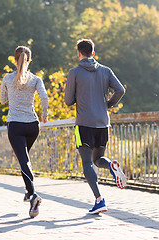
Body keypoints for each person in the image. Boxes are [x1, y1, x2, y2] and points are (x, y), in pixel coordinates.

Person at [64, 39, 127, 214]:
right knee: (98, 160)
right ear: (93, 52)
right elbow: (120, 90)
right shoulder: (106, 71)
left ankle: (99, 200)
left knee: (87, 163)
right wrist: (107, 104)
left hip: (84, 124)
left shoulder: (74, 72)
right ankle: (112, 168)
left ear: (79, 53)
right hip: (103, 123)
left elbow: (68, 101)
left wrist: (80, 96)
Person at [0, 46, 48, 218]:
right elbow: (44, 96)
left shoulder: (7, 78)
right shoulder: (36, 79)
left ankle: (34, 196)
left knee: (24, 161)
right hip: (32, 125)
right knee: (24, 159)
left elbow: (2, 99)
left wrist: (10, 93)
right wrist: (44, 113)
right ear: (29, 60)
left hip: (16, 125)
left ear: (15, 60)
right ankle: (29, 193)